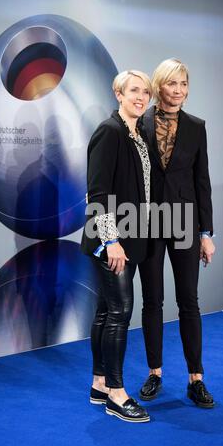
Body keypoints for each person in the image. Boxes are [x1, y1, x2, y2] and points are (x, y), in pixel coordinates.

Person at [138, 58, 216, 408]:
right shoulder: (138, 123)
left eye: (184, 84)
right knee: (152, 300)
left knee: (189, 302)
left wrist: (207, 232)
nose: (180, 91)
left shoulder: (197, 127)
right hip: (148, 222)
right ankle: (155, 373)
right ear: (159, 86)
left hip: (185, 221)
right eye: (173, 84)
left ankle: (195, 379)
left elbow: (203, 183)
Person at [81, 70, 152, 422]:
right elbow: (97, 192)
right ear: (118, 94)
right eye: (134, 90)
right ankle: (117, 394)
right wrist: (111, 241)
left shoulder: (138, 134)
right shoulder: (110, 132)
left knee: (107, 312)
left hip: (131, 239)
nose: (141, 97)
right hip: (112, 242)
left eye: (146, 92)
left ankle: (98, 384)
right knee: (120, 313)